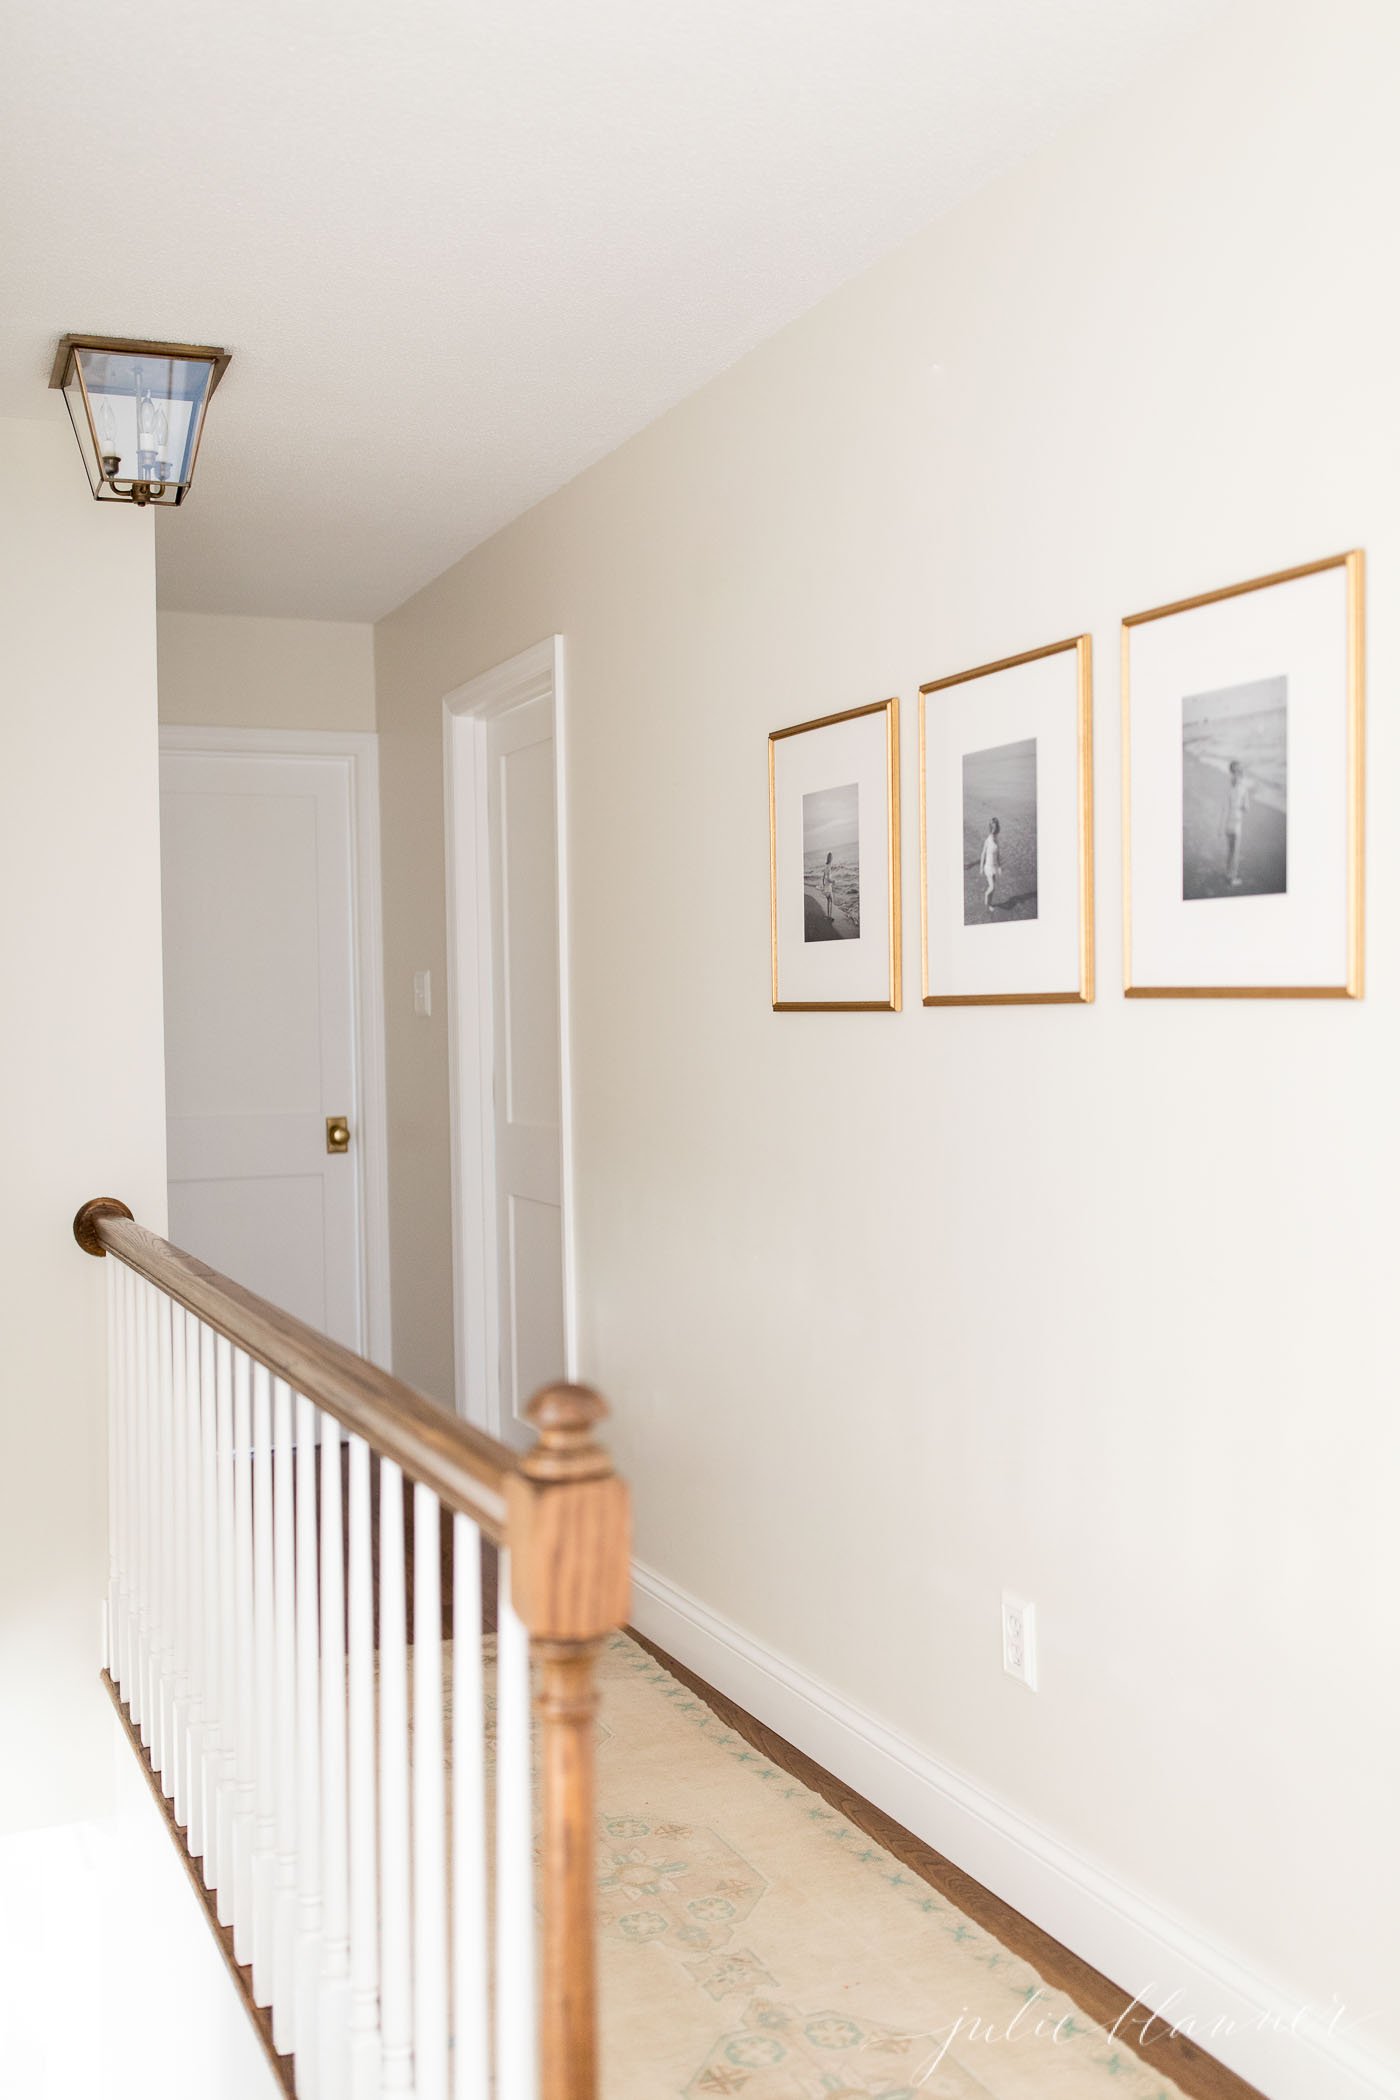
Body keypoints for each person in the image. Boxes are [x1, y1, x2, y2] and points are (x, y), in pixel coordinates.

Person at [1224, 759, 1251, 886]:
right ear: (1240, 772)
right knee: (1235, 851)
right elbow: (1246, 808)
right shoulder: (1243, 787)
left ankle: (1227, 873)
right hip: (1237, 821)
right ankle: (1232, 878)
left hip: (1228, 821)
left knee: (1230, 850)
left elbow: (1225, 806)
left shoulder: (1229, 786)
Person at [980, 817, 1001, 913]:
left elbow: (998, 854)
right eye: (993, 829)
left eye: (996, 829)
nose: (994, 831)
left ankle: (989, 904)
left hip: (994, 866)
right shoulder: (988, 840)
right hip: (988, 867)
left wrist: (999, 867)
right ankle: (985, 895)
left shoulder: (996, 838)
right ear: (990, 829)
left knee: (993, 889)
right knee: (991, 887)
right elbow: (983, 853)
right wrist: (981, 867)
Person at [821, 849, 835, 920]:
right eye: (832, 857)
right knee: (831, 901)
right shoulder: (829, 866)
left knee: (828, 901)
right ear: (830, 858)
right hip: (829, 886)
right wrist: (833, 881)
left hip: (826, 885)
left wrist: (823, 884)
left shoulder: (825, 866)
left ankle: (828, 915)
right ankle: (829, 916)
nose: (832, 858)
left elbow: (823, 877)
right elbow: (829, 878)